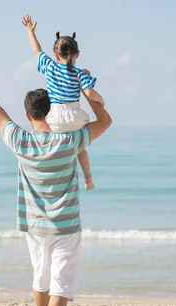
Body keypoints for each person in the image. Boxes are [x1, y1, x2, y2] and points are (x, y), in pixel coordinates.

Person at [0, 43, 112, 306]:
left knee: (41, 281)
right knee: (62, 285)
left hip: (33, 226)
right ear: (51, 110)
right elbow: (105, 121)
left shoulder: (20, 139)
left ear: (27, 115)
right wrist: (83, 88)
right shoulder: (69, 140)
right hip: (66, 226)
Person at [22, 14, 103, 191]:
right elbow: (90, 92)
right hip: (75, 117)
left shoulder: (50, 66)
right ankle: (88, 179)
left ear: (55, 55)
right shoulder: (79, 73)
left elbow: (37, 51)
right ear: (77, 55)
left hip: (55, 121)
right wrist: (101, 101)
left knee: (61, 143)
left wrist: (30, 31)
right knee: (80, 148)